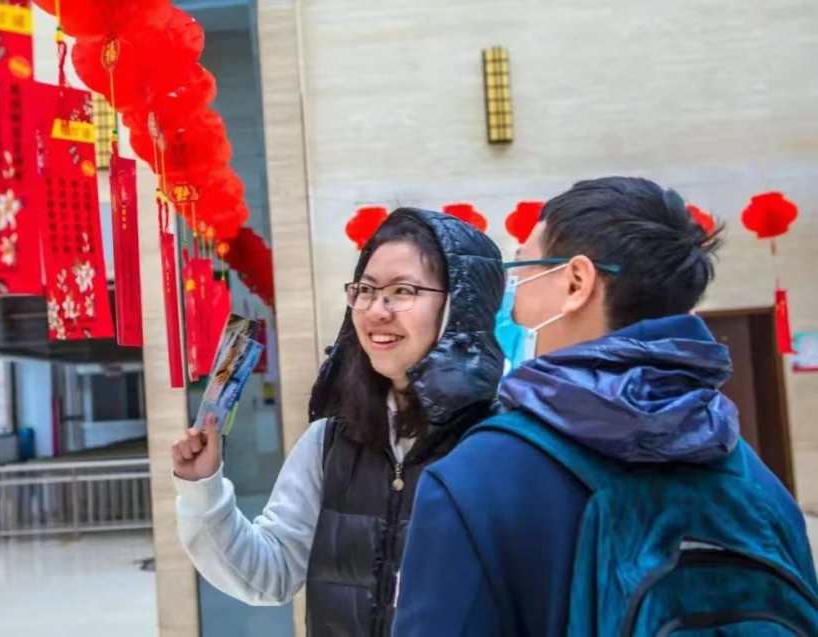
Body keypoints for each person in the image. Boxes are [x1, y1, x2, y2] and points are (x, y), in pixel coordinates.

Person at [393, 177, 818, 636]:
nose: (508, 303)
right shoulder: (754, 481)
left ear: (576, 281)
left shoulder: (474, 479)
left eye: (520, 272)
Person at [171, 208, 505, 636]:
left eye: (403, 291)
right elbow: (269, 575)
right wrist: (203, 489)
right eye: (366, 290)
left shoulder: (501, 443)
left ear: (460, 306)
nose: (376, 311)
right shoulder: (329, 441)